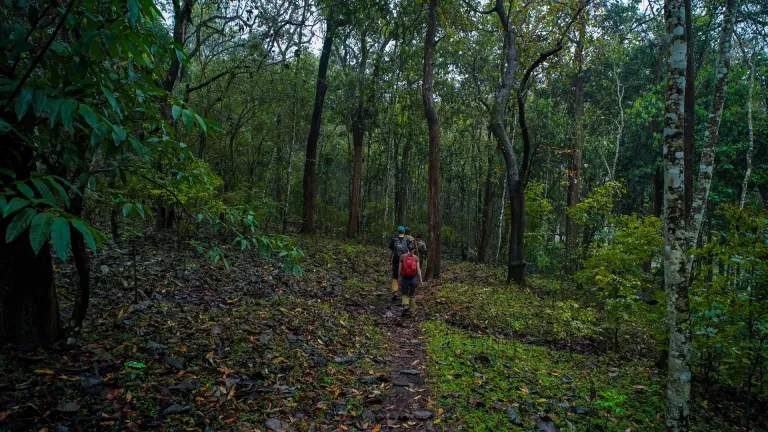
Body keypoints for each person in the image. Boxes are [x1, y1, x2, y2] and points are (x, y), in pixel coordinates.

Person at [398, 242, 423, 317]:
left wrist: (399, 277)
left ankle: (405, 305)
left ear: (407, 249)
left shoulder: (402, 256)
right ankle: (412, 311)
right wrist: (421, 280)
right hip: (413, 278)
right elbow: (418, 269)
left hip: (404, 277)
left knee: (404, 293)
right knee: (412, 294)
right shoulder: (416, 258)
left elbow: (400, 268)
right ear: (414, 249)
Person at [388, 226, 411, 301]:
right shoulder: (407, 240)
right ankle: (404, 293)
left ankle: (395, 292)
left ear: (398, 232)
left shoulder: (394, 240)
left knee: (395, 276)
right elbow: (410, 252)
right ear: (404, 232)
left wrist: (389, 261)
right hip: (404, 260)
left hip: (395, 260)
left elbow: (391, 252)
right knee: (404, 276)